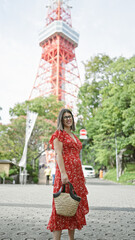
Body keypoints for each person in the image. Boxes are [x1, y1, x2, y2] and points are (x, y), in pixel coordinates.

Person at [47, 108, 89, 240]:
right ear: (61, 119)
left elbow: (77, 156)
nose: (68, 119)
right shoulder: (59, 134)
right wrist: (64, 174)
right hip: (65, 173)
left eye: (70, 116)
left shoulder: (74, 136)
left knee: (73, 205)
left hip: (77, 175)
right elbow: (58, 154)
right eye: (65, 117)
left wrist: (81, 176)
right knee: (61, 205)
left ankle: (72, 239)